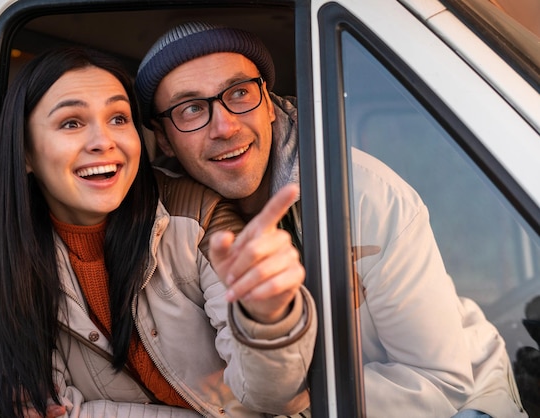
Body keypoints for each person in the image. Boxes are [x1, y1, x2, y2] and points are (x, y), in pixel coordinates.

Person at [135, 21, 527, 417]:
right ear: (164, 138)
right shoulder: (165, 226)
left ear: (268, 103)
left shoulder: (362, 193)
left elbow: (439, 383)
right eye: (191, 109)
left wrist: (295, 403)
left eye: (239, 94)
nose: (225, 126)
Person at [0, 46, 316, 418]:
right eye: (72, 123)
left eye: (118, 118)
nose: (103, 141)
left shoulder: (196, 215)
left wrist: (268, 321)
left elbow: (273, 400)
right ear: (26, 152)